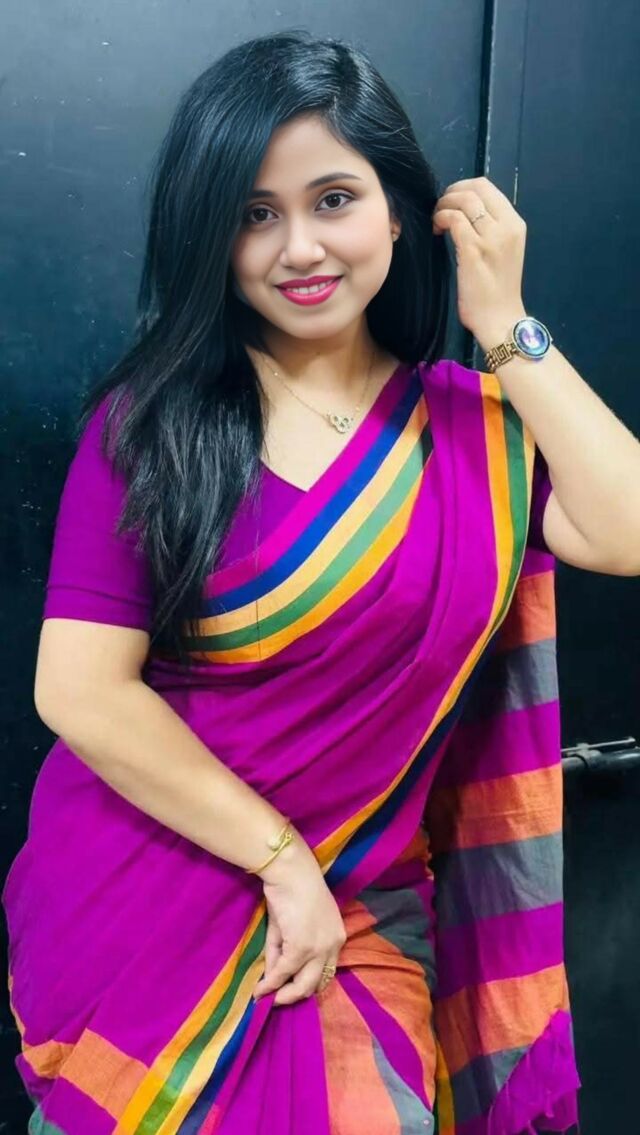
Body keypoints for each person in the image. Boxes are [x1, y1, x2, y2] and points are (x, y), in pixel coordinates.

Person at [1, 29, 586, 1135]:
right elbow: (79, 690)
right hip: (150, 893)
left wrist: (504, 322)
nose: (299, 247)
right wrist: (279, 863)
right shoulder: (154, 428)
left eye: (333, 199)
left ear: (397, 209)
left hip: (361, 907)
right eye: (254, 214)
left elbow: (627, 526)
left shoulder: (480, 430)